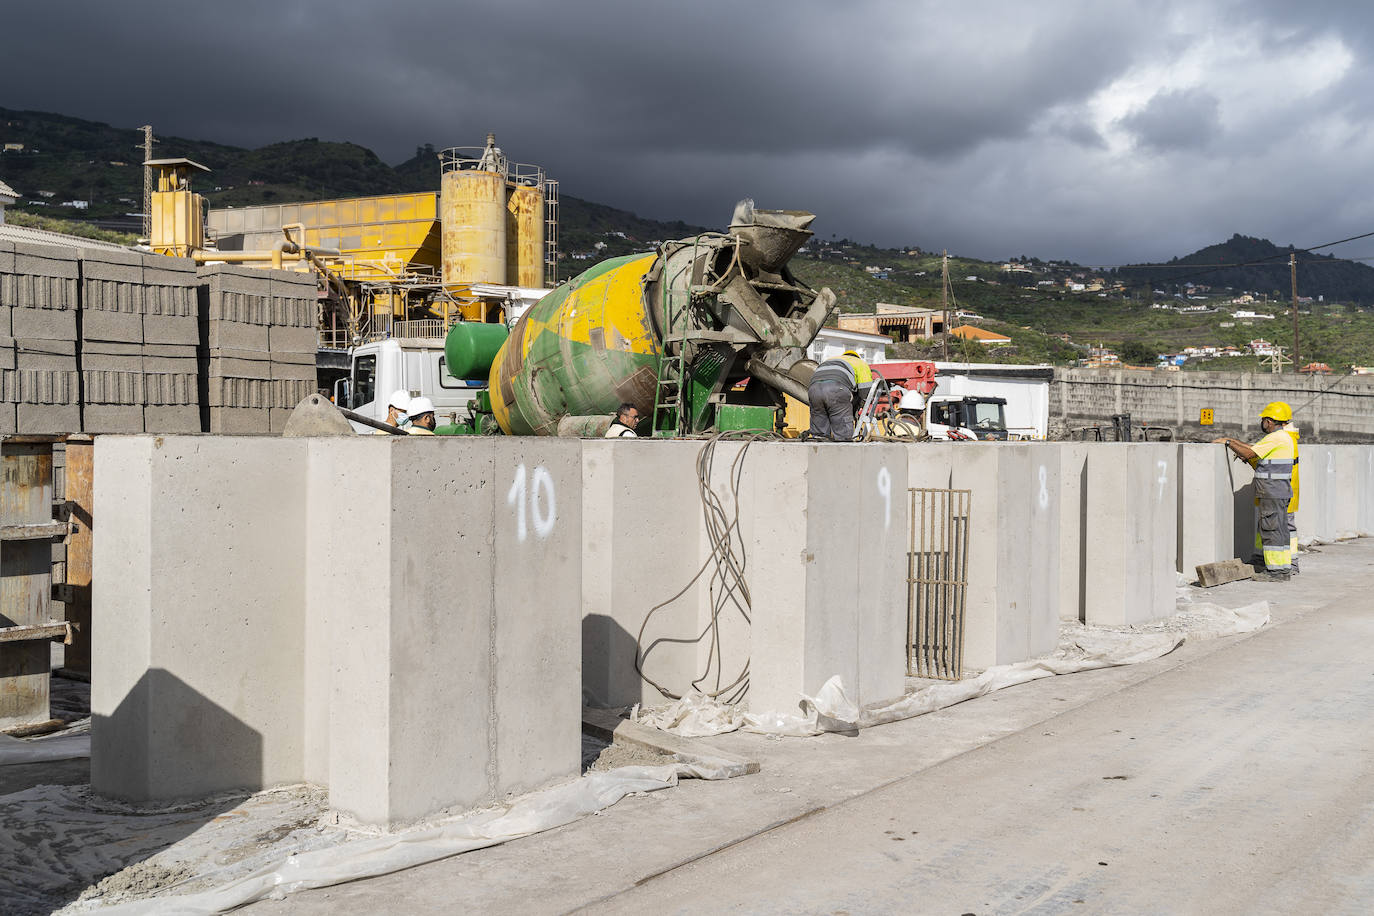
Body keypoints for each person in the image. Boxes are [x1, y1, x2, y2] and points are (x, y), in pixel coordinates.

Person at [1214, 401, 1296, 581]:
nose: (1263, 423)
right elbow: (1252, 449)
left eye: (1264, 420)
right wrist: (1234, 442)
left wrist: (1228, 442)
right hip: (1280, 491)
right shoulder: (1284, 437)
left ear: (1269, 421)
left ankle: (1275, 573)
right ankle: (1282, 569)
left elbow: (1250, 454)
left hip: (1271, 491)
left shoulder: (1275, 438)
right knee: (1280, 530)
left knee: (1271, 530)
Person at [807, 350, 874, 441]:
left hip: (814, 390)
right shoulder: (860, 363)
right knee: (842, 433)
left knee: (819, 433)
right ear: (856, 357)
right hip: (836, 389)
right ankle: (844, 452)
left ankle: (818, 451)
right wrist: (860, 405)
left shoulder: (830, 360)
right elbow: (866, 391)